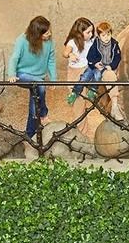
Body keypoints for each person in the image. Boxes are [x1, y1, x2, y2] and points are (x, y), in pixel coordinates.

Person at [11, 15, 56, 146]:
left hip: (38, 77)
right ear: (37, 33)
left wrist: (53, 78)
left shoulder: (49, 42)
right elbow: (14, 58)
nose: (50, 34)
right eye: (46, 32)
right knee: (40, 86)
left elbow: (51, 60)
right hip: (22, 75)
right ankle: (43, 113)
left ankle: (30, 134)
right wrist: (11, 74)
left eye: (49, 30)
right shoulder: (22, 40)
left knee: (34, 101)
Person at [82, 20, 122, 113]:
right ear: (99, 36)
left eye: (108, 34)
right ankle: (114, 105)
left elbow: (117, 57)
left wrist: (111, 66)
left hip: (109, 67)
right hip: (99, 67)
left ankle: (115, 105)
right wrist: (95, 63)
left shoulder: (114, 44)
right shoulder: (96, 45)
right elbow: (90, 57)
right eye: (103, 35)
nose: (106, 38)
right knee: (101, 75)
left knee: (110, 75)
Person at [63, 18, 94, 104]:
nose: (91, 34)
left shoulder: (91, 41)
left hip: (87, 70)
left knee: (86, 101)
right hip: (75, 71)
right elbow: (65, 53)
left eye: (92, 31)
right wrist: (70, 54)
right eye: (88, 32)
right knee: (78, 102)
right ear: (79, 33)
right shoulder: (72, 42)